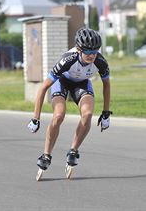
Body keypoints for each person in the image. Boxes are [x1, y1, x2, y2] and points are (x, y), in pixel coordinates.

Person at [28, 27, 112, 171]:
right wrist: (36, 118)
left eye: (95, 51)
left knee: (87, 114)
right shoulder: (67, 60)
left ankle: (73, 150)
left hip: (82, 84)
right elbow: (43, 88)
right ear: (79, 49)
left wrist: (105, 112)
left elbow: (107, 85)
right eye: (88, 52)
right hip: (62, 82)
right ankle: (46, 154)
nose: (92, 55)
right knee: (59, 115)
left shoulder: (100, 61)